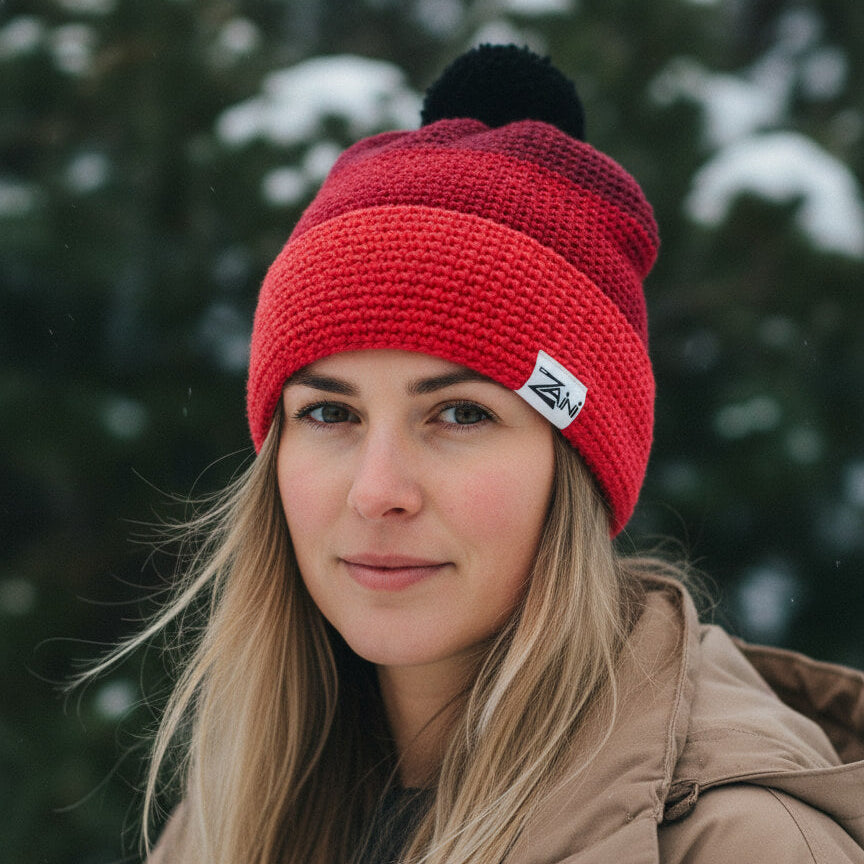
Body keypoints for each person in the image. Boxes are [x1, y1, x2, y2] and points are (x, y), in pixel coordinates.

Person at [120, 44, 864, 863]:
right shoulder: (237, 811)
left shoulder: (740, 843)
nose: (377, 490)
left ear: (575, 465)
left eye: (461, 414)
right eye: (330, 412)